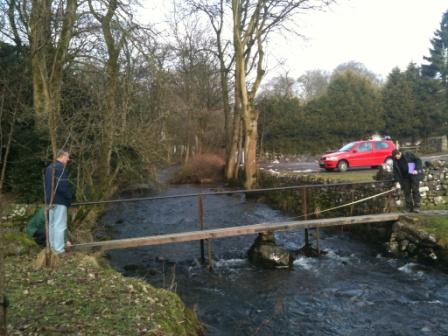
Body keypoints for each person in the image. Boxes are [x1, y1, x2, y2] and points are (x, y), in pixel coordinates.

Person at [44, 150, 72, 254]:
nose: (68, 159)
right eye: (67, 157)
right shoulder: (60, 168)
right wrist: (69, 198)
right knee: (60, 225)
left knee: (51, 225)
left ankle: (52, 248)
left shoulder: (49, 167)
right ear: (62, 156)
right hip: (60, 200)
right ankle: (59, 250)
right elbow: (63, 187)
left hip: (49, 200)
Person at [392, 148, 423, 213]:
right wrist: (397, 181)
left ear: (399, 153)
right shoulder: (395, 161)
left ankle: (417, 207)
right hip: (404, 178)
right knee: (407, 192)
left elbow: (418, 160)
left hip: (413, 175)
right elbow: (396, 172)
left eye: (396, 156)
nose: (396, 158)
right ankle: (409, 208)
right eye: (394, 157)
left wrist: (416, 169)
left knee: (415, 191)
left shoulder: (408, 154)